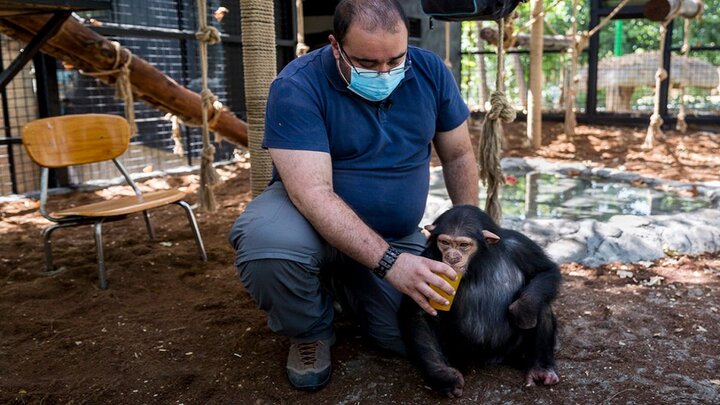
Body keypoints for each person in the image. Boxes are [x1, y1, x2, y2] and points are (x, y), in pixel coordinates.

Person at [228, 0, 479, 391]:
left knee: (420, 336)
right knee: (270, 247)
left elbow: (460, 154)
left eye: (396, 59)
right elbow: (312, 194)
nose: (384, 72)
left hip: (393, 233)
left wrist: (470, 230)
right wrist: (393, 265)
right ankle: (310, 331)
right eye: (367, 63)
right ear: (335, 46)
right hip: (307, 220)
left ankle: (348, 284)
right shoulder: (297, 86)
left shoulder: (430, 71)